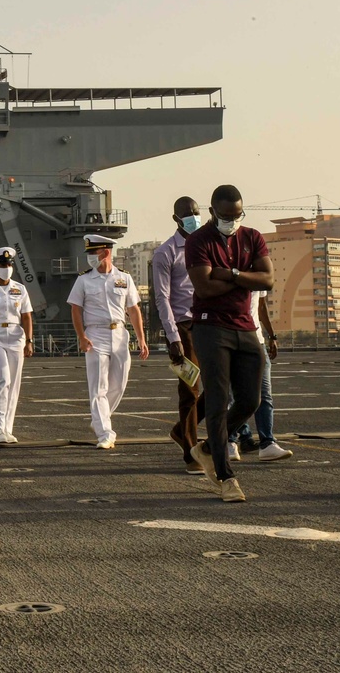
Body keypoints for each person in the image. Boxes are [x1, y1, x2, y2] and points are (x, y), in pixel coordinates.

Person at [186, 185, 273, 503]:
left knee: (250, 401)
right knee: (218, 402)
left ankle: (207, 448)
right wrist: (245, 276)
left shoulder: (253, 236)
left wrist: (231, 273)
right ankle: (226, 477)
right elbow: (205, 288)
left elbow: (268, 280)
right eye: (226, 216)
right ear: (212, 212)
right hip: (211, 327)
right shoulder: (198, 241)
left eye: (237, 216)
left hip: (246, 328)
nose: (232, 221)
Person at [68, 235, 149, 449]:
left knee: (119, 384)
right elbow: (76, 309)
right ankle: (105, 432)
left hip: (120, 333)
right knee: (98, 387)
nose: (90, 257)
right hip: (95, 335)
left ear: (105, 252)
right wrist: (82, 336)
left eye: (93, 253)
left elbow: (133, 309)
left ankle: (99, 420)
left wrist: (142, 339)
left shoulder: (124, 278)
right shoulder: (83, 280)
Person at [152, 197, 207, 473]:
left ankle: (179, 430)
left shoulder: (207, 245)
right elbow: (162, 298)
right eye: (188, 214)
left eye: (197, 213)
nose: (194, 218)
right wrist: (172, 337)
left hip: (208, 322)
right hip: (182, 327)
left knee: (222, 385)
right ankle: (191, 452)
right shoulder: (166, 252)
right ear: (176, 219)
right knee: (190, 390)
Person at [227, 292, 293, 462]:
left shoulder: (258, 268)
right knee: (232, 396)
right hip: (231, 338)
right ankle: (230, 440)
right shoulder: (227, 268)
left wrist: (272, 335)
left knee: (264, 395)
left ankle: (267, 443)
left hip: (257, 340)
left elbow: (261, 306)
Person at [0, 248, 34, 444]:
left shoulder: (20, 288)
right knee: (2, 379)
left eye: (9, 265)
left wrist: (29, 341)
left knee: (14, 385)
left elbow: (26, 316)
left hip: (16, 335)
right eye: (2, 265)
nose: (7, 268)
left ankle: (6, 429)